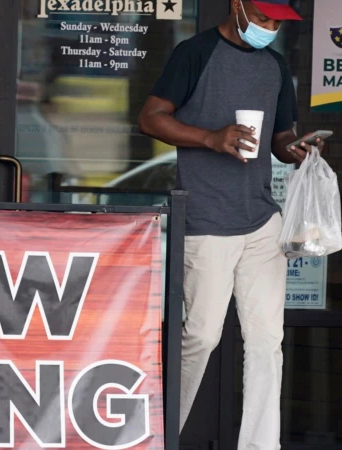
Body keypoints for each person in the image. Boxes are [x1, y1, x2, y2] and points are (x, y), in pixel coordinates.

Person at [138, 1, 325, 448]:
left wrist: (296, 148)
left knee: (266, 342)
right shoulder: (195, 53)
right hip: (206, 218)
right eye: (264, 18)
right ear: (237, 5)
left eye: (279, 21)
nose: (271, 27)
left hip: (261, 219)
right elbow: (150, 118)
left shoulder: (275, 66)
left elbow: (279, 139)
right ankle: (159, 437)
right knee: (200, 336)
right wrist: (209, 137)